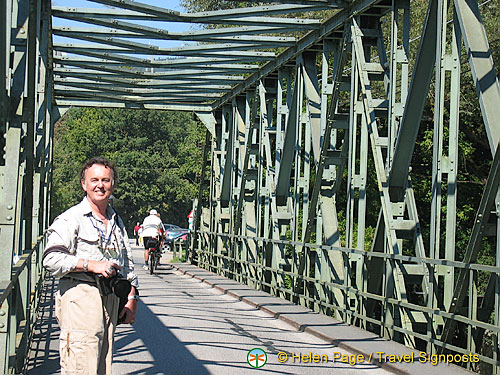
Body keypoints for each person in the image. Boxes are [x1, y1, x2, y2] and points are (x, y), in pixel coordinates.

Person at [42, 157, 139, 375]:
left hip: (110, 300)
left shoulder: (115, 220)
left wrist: (132, 296)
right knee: (81, 367)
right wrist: (89, 264)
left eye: (106, 180)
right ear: (84, 184)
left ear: (113, 184)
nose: (100, 185)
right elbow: (51, 258)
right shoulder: (71, 218)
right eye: (94, 180)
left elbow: (127, 262)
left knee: (102, 368)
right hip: (81, 298)